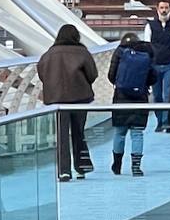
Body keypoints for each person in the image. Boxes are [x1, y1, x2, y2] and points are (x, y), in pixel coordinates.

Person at [36, 24, 98, 182]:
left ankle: (64, 170)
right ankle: (81, 167)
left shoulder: (49, 54)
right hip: (79, 98)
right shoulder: (82, 52)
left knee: (61, 135)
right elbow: (92, 74)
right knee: (79, 132)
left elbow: (42, 73)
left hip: (57, 101)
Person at [108, 33, 154, 176]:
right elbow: (153, 77)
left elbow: (111, 75)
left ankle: (117, 164)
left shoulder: (120, 52)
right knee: (137, 133)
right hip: (140, 97)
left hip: (121, 97)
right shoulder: (146, 52)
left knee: (120, 133)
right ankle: (136, 166)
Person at [145, 0, 170, 132]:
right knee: (157, 96)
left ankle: (167, 121)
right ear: (157, 9)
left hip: (169, 64)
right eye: (161, 8)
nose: (164, 10)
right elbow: (147, 43)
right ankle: (159, 121)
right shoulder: (150, 25)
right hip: (154, 64)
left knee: (168, 94)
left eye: (166, 8)